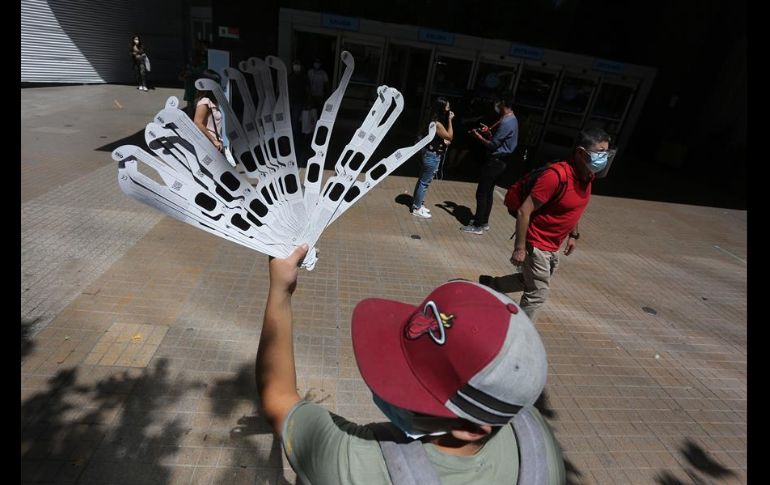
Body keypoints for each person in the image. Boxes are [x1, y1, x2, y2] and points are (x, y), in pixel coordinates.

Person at [256, 245, 565, 484]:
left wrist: (280, 290)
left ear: (471, 429)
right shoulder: (537, 440)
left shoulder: (361, 463)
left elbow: (278, 397)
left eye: (413, 385)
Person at [479, 126, 613, 322]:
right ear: (581, 153)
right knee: (537, 293)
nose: (605, 157)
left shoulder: (587, 176)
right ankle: (522, 337)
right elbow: (524, 210)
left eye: (607, 152)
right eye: (600, 152)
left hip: (553, 244)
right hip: (537, 243)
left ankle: (492, 284)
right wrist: (520, 248)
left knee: (528, 280)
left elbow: (574, 209)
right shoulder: (555, 176)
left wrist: (573, 235)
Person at [461, 96, 518, 235]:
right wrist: (489, 133)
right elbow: (500, 140)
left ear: (503, 103)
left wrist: (479, 137)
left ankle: (478, 225)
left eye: (497, 102)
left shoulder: (506, 122)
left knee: (481, 192)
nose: (495, 105)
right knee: (488, 192)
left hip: (495, 162)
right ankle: (483, 221)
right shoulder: (511, 119)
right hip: (501, 162)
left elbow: (493, 145)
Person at [411, 98, 454, 219]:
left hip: (429, 153)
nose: (448, 110)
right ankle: (417, 208)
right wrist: (450, 120)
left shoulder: (432, 119)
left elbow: (439, 137)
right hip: (432, 155)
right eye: (447, 107)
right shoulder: (437, 123)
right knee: (424, 182)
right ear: (441, 109)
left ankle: (418, 203)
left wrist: (443, 141)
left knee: (422, 180)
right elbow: (450, 136)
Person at [193, 69, 225, 152]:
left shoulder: (211, 101)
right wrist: (214, 141)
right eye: (217, 83)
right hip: (209, 145)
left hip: (214, 144)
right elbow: (197, 123)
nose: (219, 86)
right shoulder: (205, 101)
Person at [180, 40, 208, 116]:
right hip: (192, 87)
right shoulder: (191, 65)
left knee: (196, 106)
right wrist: (186, 76)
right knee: (192, 106)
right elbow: (181, 76)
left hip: (198, 88)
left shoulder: (204, 64)